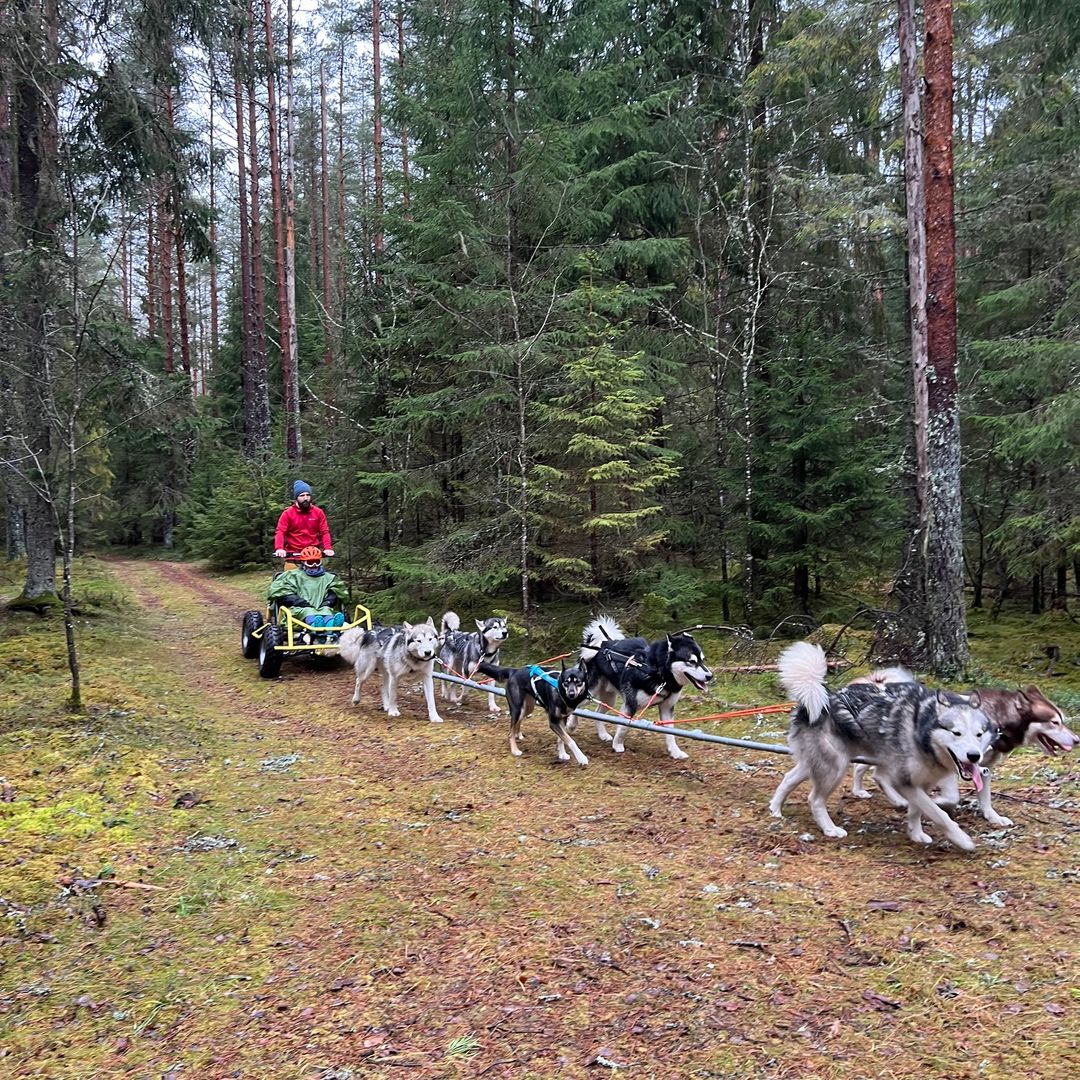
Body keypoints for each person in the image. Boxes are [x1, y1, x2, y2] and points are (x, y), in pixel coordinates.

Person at [267, 547, 350, 628]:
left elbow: (337, 591)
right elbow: (281, 591)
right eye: (310, 562)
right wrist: (299, 602)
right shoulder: (291, 576)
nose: (314, 565)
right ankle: (316, 627)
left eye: (316, 562)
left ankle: (331, 626)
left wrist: (328, 602)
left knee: (327, 611)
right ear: (303, 563)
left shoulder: (330, 578)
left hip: (323, 608)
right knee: (308, 612)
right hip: (299, 609)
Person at [274, 480, 335, 559]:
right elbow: (280, 532)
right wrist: (279, 548)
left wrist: (328, 548)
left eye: (308, 495)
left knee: (321, 571)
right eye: (302, 496)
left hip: (313, 556)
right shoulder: (287, 513)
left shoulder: (318, 512)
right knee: (289, 571)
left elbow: (324, 532)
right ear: (296, 498)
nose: (306, 498)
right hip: (293, 556)